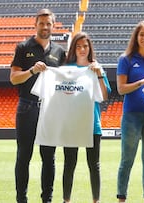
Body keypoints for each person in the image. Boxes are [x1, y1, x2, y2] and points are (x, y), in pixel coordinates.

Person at [9, 8, 66, 203]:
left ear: (53, 26)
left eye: (48, 23)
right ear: (35, 25)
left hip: (50, 108)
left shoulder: (60, 51)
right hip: (27, 107)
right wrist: (32, 71)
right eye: (41, 23)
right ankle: (21, 199)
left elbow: (65, 81)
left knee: (49, 157)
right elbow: (14, 79)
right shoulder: (23, 47)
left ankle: (47, 199)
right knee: (24, 155)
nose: (45, 27)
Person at [116, 20, 144, 203]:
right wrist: (142, 82)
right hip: (132, 116)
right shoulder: (125, 59)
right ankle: (121, 197)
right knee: (127, 160)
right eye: (141, 35)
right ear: (136, 37)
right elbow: (121, 89)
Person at [62, 32, 111, 203]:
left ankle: (96, 200)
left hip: (92, 124)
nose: (82, 49)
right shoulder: (66, 69)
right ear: (73, 48)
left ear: (90, 48)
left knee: (94, 165)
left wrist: (98, 74)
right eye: (78, 46)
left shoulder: (97, 67)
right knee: (69, 165)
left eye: (85, 46)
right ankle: (66, 200)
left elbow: (104, 96)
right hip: (71, 125)